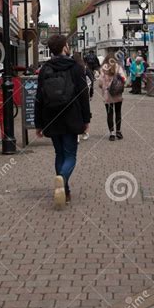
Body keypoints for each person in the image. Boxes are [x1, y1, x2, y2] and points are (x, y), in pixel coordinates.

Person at [35, 35, 90, 208]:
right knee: (70, 155)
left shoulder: (44, 69)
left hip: (51, 116)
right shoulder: (75, 67)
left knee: (59, 154)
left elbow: (39, 98)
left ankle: (64, 192)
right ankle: (63, 179)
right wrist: (86, 119)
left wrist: (38, 123)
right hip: (71, 116)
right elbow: (83, 95)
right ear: (65, 47)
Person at [98, 54, 126, 140]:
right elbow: (124, 78)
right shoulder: (118, 67)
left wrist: (104, 86)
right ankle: (118, 131)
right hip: (117, 93)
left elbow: (100, 82)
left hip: (108, 95)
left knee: (109, 113)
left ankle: (112, 133)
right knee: (118, 112)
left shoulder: (103, 68)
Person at [73, 52, 93, 139]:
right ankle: (86, 132)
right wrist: (91, 93)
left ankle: (77, 133)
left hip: (75, 93)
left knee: (77, 113)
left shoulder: (72, 68)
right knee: (85, 112)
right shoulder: (85, 68)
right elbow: (91, 80)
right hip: (85, 92)